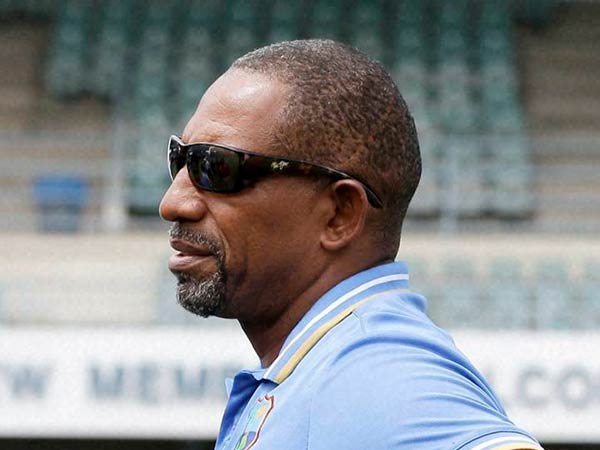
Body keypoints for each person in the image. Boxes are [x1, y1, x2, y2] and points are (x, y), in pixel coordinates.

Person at [159, 40, 542, 450]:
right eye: (180, 160)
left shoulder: (378, 373)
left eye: (216, 167)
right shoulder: (320, 365)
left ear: (340, 214)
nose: (172, 203)